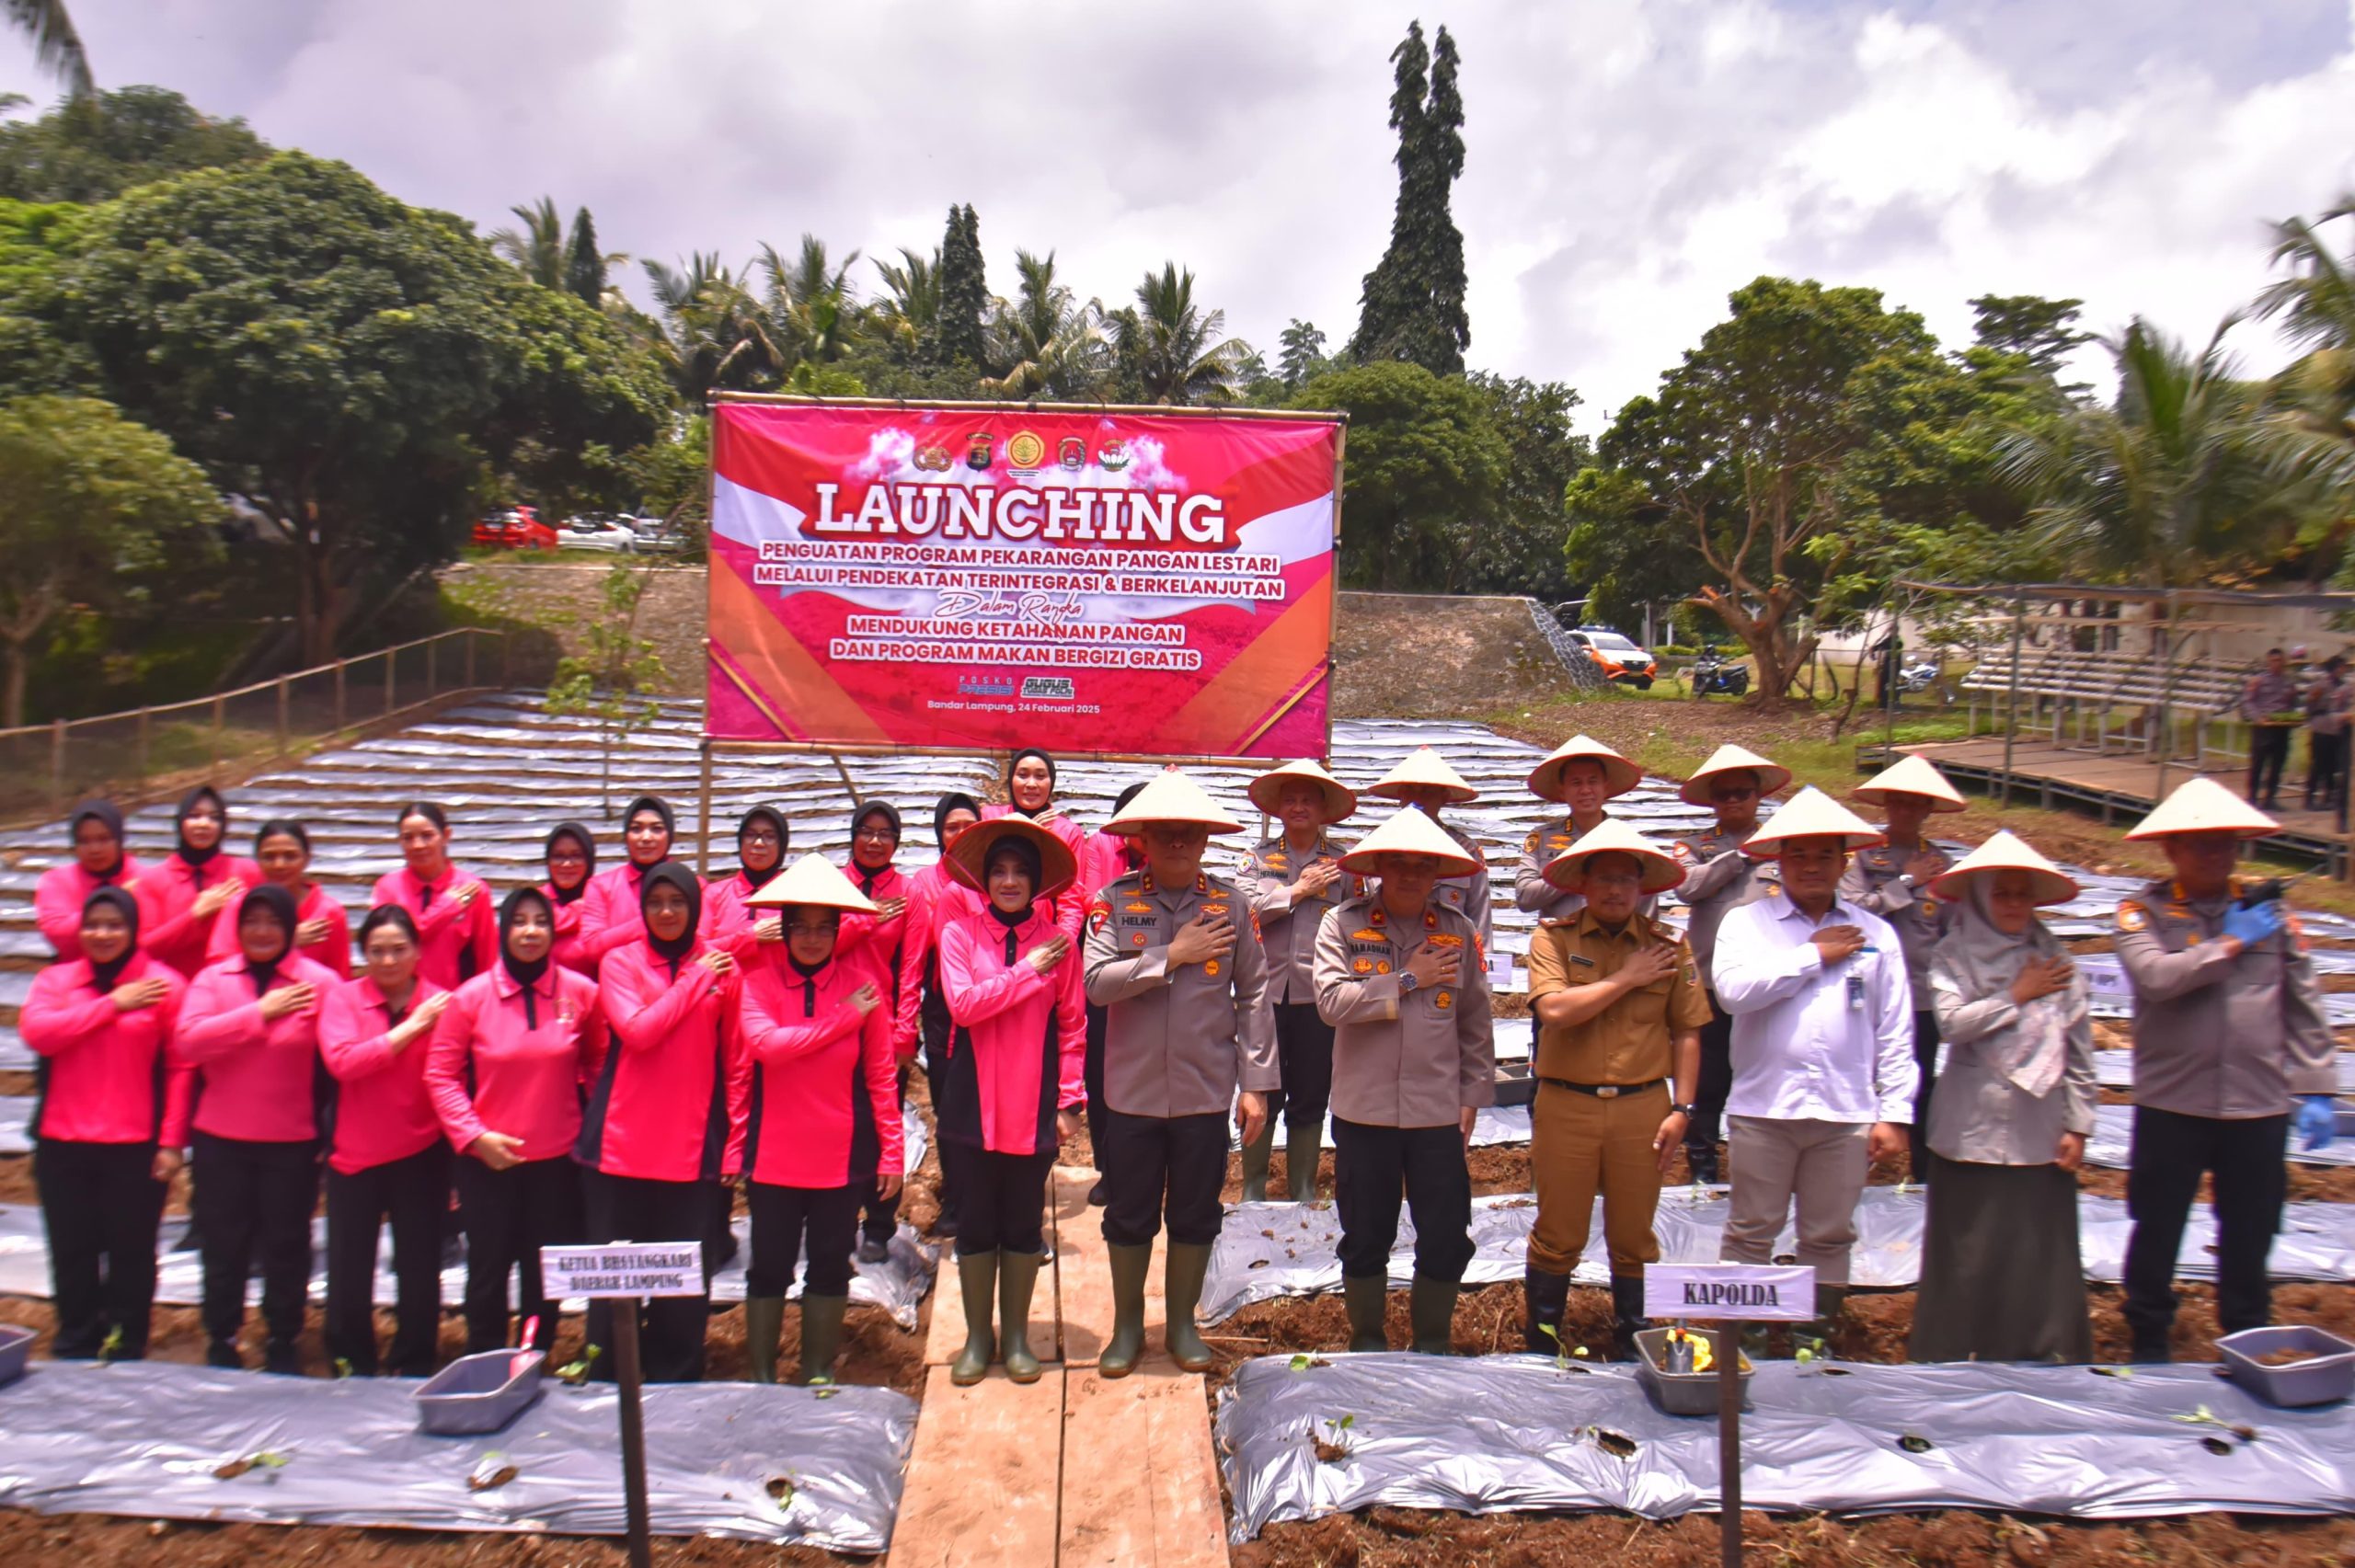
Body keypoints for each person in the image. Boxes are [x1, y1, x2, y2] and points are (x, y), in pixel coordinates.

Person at [2112, 778, 2339, 1361]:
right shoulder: (2143, 913)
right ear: (2171, 848)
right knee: (2157, 1222)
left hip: (2257, 1103)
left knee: (2251, 1227)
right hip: (2172, 1102)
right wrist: (2229, 945)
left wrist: (2316, 1086)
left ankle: (2246, 1333)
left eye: (2226, 842)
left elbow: (2304, 1004)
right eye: (2201, 843)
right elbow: (2157, 979)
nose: (2216, 853)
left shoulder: (2272, 915)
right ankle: (2149, 1333)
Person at [1083, 771, 1278, 1377]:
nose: (1176, 842)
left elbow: (1254, 994)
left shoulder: (1231, 904)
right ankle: (1127, 1328)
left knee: (1195, 1213)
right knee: (1129, 1213)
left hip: (1203, 1090)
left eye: (1188, 832)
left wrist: (1256, 1084)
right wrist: (1172, 955)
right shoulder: (1114, 901)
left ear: (1204, 839)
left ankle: (1182, 1325)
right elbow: (1096, 983)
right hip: (1132, 1093)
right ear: (1142, 837)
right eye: (1164, 831)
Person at [1711, 787, 1916, 1346]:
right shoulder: (1746, 924)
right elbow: (1733, 993)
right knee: (1751, 1229)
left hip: (1845, 1112)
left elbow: (1895, 1029)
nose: (1810, 866)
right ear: (1778, 861)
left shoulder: (1876, 935)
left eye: (1824, 855)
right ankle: (1743, 1341)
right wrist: (1813, 955)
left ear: (1843, 861)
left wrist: (1895, 1112)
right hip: (1765, 1107)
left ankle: (1812, 1341)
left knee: (1828, 1233)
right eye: (1798, 855)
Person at [1312, 807, 1495, 1354]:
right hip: (1363, 1110)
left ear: (1438, 872)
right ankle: (1368, 1339)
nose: (1411, 875)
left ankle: (1432, 1342)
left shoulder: (1459, 931)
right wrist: (1409, 977)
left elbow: (1475, 1021)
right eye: (1399, 863)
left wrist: (1472, 1097)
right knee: (1366, 1233)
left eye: (1423, 865)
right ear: (1379, 868)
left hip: (1436, 1112)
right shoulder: (1342, 924)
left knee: (1446, 1234)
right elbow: (1330, 1003)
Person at [1908, 832, 2096, 1365]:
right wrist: (2015, 994)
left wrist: (2078, 1124)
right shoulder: (1952, 956)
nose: (2014, 905)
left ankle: (2034, 1353)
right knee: (1965, 1254)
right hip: (1969, 1131)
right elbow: (1952, 1024)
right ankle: (1949, 1355)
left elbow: (2079, 1049)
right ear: (1979, 899)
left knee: (2034, 1252)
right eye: (2002, 894)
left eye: (2022, 894)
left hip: (2040, 1131)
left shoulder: (2056, 960)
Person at [1522, 820, 1707, 1358]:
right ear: (1583, 884)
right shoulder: (1554, 938)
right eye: (1603, 878)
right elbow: (1555, 1010)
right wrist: (1626, 977)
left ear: (1642, 887)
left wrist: (1683, 1108)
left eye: (1626, 880)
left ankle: (1632, 1339)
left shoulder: (1669, 946)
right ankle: (1543, 1341)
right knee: (1558, 1231)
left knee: (1634, 1235)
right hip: (1567, 1104)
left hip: (1642, 1107)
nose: (1614, 890)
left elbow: (1688, 1031)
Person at [732, 854, 904, 1385]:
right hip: (774, 1155)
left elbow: (881, 1075)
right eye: (800, 927)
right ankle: (762, 1372)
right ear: (784, 931)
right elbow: (767, 1047)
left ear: (837, 931)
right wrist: (843, 1017)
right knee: (769, 1265)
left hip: (840, 1155)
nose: (811, 939)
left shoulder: (863, 986)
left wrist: (892, 1151)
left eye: (823, 928)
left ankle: (817, 1370)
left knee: (830, 1265)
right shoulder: (758, 985)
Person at [935, 816, 1086, 1385]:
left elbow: (1072, 1027)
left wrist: (1069, 1099)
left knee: (1023, 1224)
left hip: (1033, 1103)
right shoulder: (958, 936)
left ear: (1037, 882)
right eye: (998, 871)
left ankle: (1018, 1337)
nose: (1009, 881)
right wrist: (1026, 970)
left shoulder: (1060, 945)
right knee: (975, 1224)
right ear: (984, 879)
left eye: (1021, 871)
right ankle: (979, 1338)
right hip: (969, 1103)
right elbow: (964, 1006)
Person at [576, 861, 736, 1383]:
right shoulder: (620, 962)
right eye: (655, 903)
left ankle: (676, 1371)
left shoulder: (720, 965)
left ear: (695, 907)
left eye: (678, 902)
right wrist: (696, 978)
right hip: (622, 1140)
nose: (666, 913)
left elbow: (735, 1056)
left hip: (691, 1138)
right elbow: (638, 1031)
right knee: (615, 1272)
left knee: (683, 1272)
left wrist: (734, 1136)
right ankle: (609, 1372)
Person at [172, 883, 342, 1373]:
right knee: (223, 1245)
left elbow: (336, 1062)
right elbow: (189, 1042)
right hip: (220, 1140)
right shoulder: (213, 979)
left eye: (272, 922)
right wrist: (259, 1013)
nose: (262, 932)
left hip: (292, 1141)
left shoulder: (320, 983)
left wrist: (329, 1132)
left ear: (290, 927)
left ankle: (284, 1336)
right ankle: (222, 1335)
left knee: (287, 1245)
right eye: (251, 922)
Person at [427, 887, 603, 1355]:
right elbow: (441, 1075)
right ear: (504, 930)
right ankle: (484, 1357)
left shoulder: (582, 993)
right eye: (520, 922)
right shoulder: (470, 998)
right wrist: (474, 1136)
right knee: (488, 1268)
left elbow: (598, 1062)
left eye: (540, 922)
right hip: (487, 1163)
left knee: (542, 1274)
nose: (530, 932)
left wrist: (592, 1128)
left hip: (556, 1162)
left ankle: (533, 1355)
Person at [20, 887, 188, 1360]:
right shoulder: (56, 980)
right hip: (62, 1140)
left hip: (134, 1144)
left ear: (133, 929)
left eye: (115, 925)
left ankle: (126, 1341)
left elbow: (181, 1067)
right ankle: (76, 1338)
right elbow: (40, 1034)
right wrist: (113, 1004)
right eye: (93, 925)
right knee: (71, 1248)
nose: (103, 934)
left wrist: (172, 1141)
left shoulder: (164, 985)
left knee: (132, 1250)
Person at [318, 906, 454, 1377]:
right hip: (354, 1155)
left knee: (419, 1267)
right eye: (377, 951)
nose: (389, 960)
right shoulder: (343, 1000)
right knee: (348, 1267)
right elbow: (344, 1063)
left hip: (422, 1153)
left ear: (417, 952)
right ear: (363, 955)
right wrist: (412, 1028)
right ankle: (349, 1360)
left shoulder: (442, 1002)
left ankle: (414, 1360)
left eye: (399, 949)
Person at [1669, 744, 1792, 1184]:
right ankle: (1702, 1160)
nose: (1734, 801)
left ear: (1759, 796)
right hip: (1710, 983)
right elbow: (1687, 887)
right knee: (1709, 1078)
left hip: (1769, 982)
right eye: (1724, 794)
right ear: (1712, 801)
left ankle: (1759, 1160)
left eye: (1743, 792)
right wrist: (1741, 856)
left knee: (1764, 1072)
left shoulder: (1785, 846)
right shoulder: (1694, 846)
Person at [1240, 759, 1360, 1202]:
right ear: (1277, 808)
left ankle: (1303, 1185)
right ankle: (1253, 1184)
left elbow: (1360, 922)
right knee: (1261, 1086)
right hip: (1265, 992)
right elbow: (1245, 912)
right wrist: (1297, 891)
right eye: (1289, 800)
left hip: (1320, 996)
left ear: (1324, 809)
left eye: (1308, 800)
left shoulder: (1344, 864)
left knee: (1311, 1091)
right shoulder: (1256, 859)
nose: (1298, 807)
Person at [1843, 753, 1962, 1180]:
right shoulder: (1862, 857)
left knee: (1921, 1082)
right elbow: (1854, 910)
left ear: (1928, 810)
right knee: (1857, 1076)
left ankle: (1922, 1172)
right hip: (1865, 988)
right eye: (1899, 802)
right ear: (1886, 804)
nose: (1906, 811)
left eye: (1916, 804)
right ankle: (1851, 1162)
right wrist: (1907, 882)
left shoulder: (1942, 865)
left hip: (1920, 995)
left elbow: (1953, 931)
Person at [896, 793, 982, 1237]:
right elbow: (918, 951)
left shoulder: (997, 877)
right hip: (944, 1009)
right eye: (952, 827)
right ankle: (955, 1195)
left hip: (993, 1001)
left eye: (970, 825)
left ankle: (991, 1193)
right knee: (950, 1102)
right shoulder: (924, 883)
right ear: (938, 832)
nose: (961, 834)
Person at [840, 801, 913, 1263]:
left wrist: (905, 1034)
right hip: (833, 1023)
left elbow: (912, 967)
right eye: (866, 831)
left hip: (882, 1028)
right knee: (839, 1124)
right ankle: (838, 1216)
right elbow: (817, 945)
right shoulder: (832, 886)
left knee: (884, 1124)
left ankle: (879, 1224)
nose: (873, 841)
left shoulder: (907, 893)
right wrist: (866, 917)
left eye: (885, 834)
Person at [1077, 781, 1150, 1206]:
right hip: (1108, 971)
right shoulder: (1100, 845)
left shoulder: (1170, 848)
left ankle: (1144, 1167)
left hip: (1156, 974)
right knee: (1102, 1073)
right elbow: (1091, 902)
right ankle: (1108, 1169)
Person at [1361, 747, 1492, 947]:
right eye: (1410, 789)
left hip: (1448, 953)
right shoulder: (1377, 843)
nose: (1417, 798)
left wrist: (1483, 962)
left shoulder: (1465, 849)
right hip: (1386, 950)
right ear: (1400, 793)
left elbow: (1480, 918)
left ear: (1444, 796)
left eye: (1427, 791)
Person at [1515, 735, 1644, 924]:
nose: (1585, 790)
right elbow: (1525, 897)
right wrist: (1570, 871)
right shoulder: (1542, 838)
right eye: (1576, 783)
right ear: (1562, 790)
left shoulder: (1626, 840)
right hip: (1558, 939)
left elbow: (1646, 900)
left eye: (1593, 781)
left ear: (1606, 787)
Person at [371, 802, 497, 991]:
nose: (418, 845)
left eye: (427, 836)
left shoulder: (473, 890)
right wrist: (444, 909)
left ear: (446, 835)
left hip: (456, 1001)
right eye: (408, 838)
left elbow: (487, 960)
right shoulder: (387, 888)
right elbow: (385, 944)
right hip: (400, 1001)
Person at [136, 786, 260, 979]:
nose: (204, 824)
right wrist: (195, 915)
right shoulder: (153, 880)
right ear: (180, 822)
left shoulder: (247, 872)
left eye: (214, 818)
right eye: (194, 816)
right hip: (175, 986)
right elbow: (144, 949)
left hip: (236, 984)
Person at [208, 820, 350, 975]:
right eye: (269, 857)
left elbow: (339, 976)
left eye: (290, 856)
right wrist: (287, 942)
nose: (279, 865)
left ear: (307, 859)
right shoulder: (239, 905)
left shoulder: (329, 912)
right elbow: (219, 969)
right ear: (257, 860)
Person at [984, 748, 1093, 937]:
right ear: (1011, 780)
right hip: (989, 933)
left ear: (1051, 783)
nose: (1031, 784)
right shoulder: (990, 818)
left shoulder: (1068, 832)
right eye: (1023, 775)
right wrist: (1027, 830)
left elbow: (1071, 899)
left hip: (1042, 935)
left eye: (1040, 776)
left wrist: (1063, 942)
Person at [580, 795, 696, 973]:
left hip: (684, 980)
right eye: (636, 829)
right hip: (619, 982)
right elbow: (592, 949)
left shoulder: (694, 886)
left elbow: (703, 943)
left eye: (657, 829)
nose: (646, 837)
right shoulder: (601, 886)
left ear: (670, 836)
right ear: (626, 837)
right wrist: (650, 922)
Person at [35, 801, 145, 959]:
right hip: (75, 970)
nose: (95, 849)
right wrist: (118, 899)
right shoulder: (57, 881)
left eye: (104, 839)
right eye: (84, 841)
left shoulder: (145, 879)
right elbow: (58, 934)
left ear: (120, 839)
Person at [702, 805, 790, 959]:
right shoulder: (713, 894)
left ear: (782, 845)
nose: (759, 843)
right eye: (750, 835)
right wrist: (750, 937)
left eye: (770, 836)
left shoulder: (795, 896)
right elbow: (696, 952)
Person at [2242, 647, 2301, 810]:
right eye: (2274, 661)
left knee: (2278, 764)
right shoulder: (2259, 681)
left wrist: (2294, 716)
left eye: (2280, 660)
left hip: (2281, 727)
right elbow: (2248, 701)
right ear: (2268, 662)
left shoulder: (2288, 682)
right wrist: (2257, 717)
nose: (2277, 664)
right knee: (2258, 764)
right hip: (2264, 728)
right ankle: (2252, 797)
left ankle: (2270, 798)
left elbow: (2294, 702)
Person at [544, 821, 597, 974]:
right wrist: (585, 908)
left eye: (576, 856)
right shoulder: (535, 901)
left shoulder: (603, 898)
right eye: (558, 856)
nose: (567, 864)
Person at [2305, 656, 2350, 814]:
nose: (2343, 670)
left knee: (2332, 765)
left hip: (2336, 728)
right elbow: (2310, 704)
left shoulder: (2344, 686)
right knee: (2318, 765)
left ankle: (2328, 797)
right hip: (2321, 727)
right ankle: (2310, 798)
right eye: (2341, 667)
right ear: (2334, 668)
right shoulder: (2321, 684)